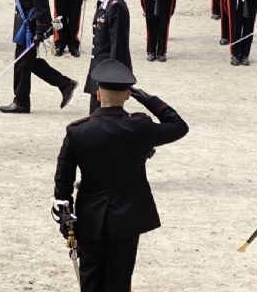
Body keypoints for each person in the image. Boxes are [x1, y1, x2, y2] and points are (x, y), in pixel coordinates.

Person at [52, 60, 189, 292]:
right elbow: (179, 126)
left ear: (97, 94)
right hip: (127, 217)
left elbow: (63, 180)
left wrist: (66, 215)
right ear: (128, 95)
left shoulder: (78, 131)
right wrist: (148, 98)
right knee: (120, 279)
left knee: (90, 279)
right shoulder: (140, 128)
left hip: (90, 216)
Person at [1, 0, 77, 113]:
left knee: (22, 61)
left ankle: (21, 101)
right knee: (29, 61)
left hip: (31, 24)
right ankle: (64, 83)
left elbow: (41, 3)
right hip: (23, 22)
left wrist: (42, 29)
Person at [84, 0, 130, 113]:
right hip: (99, 72)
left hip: (107, 76)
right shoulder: (104, 3)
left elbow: (118, 47)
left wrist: (111, 84)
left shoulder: (115, 7)